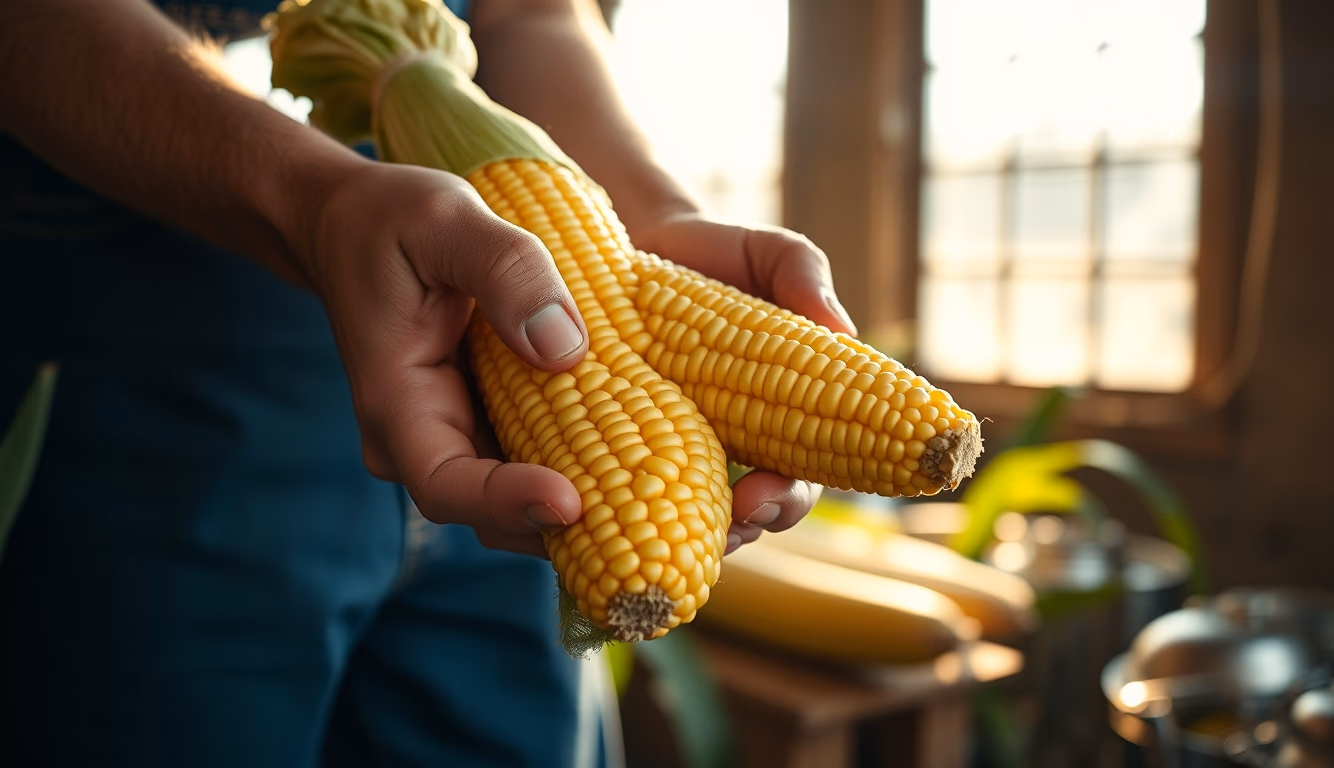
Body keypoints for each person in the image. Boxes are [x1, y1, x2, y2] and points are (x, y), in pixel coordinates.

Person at [0, 0, 857, 765]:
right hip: (155, 360)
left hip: (508, 368)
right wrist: (313, 197)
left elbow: (530, 13)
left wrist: (648, 218)